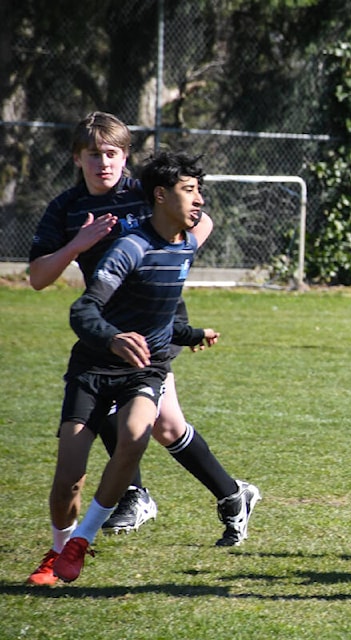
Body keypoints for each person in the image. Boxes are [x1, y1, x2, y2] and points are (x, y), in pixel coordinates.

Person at [27, 116, 259, 584]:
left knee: (158, 426)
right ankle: (216, 493)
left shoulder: (145, 191)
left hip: (153, 328)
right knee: (156, 426)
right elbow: (37, 278)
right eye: (93, 154)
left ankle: (165, 497)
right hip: (103, 331)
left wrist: (172, 261)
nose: (103, 162)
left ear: (125, 156)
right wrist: (78, 244)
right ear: (77, 159)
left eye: (112, 153)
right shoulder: (67, 207)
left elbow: (199, 218)